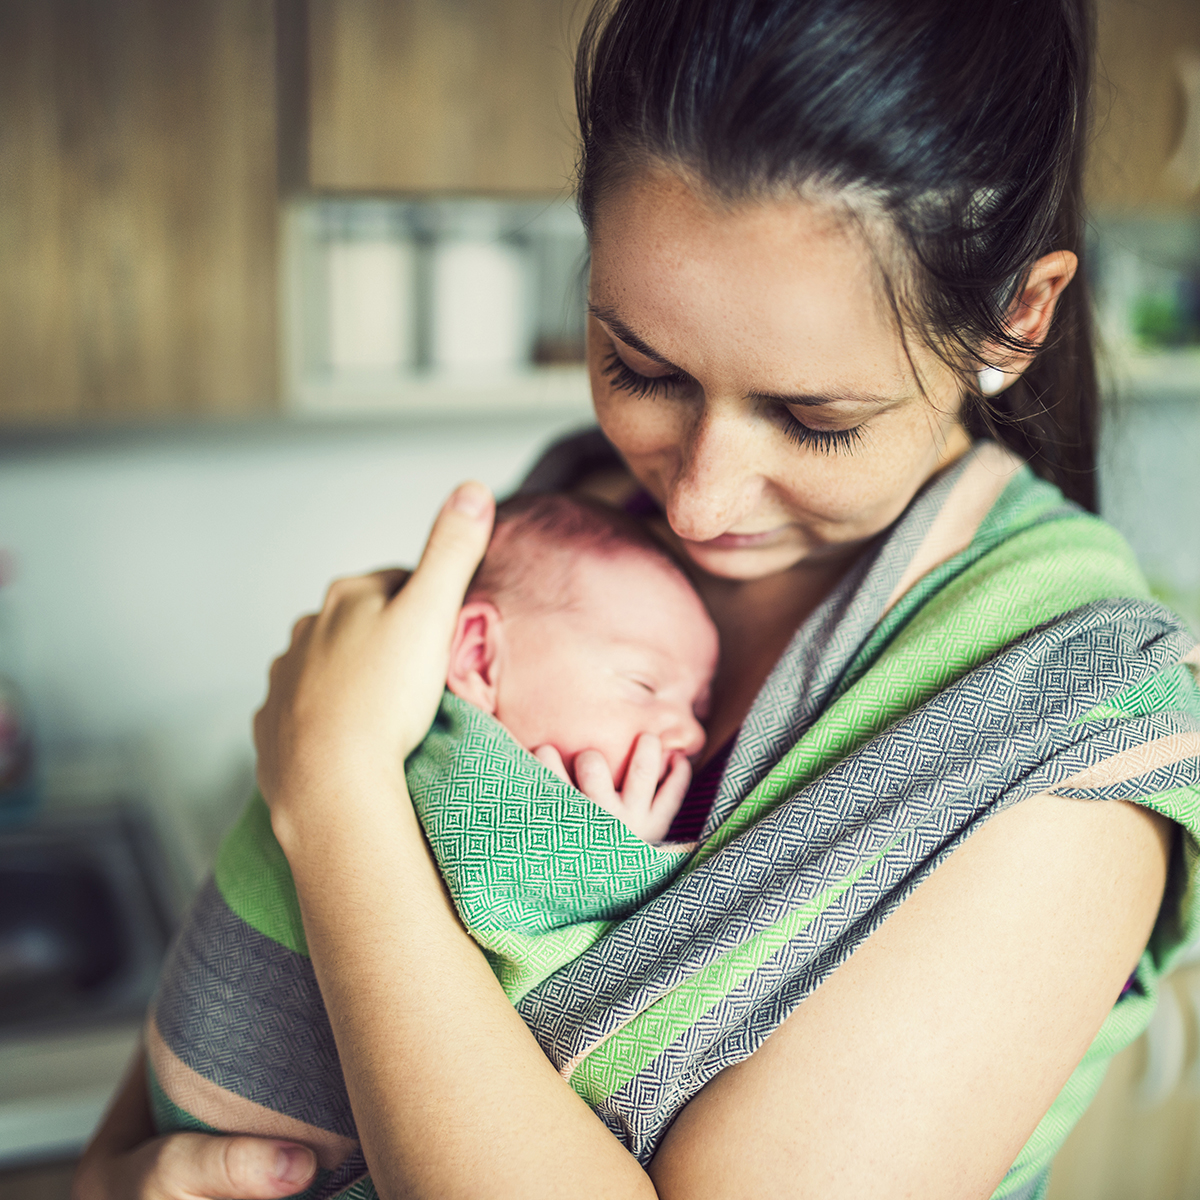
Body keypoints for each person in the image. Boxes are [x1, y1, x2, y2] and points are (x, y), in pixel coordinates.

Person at [74, 0, 1200, 1197]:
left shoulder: (1080, 735)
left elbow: (345, 841)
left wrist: (338, 794)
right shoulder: (581, 499)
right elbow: (185, 1080)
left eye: (817, 421)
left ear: (1018, 317)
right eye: (641, 368)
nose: (701, 504)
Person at [143, 494, 718, 1199]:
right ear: (478, 656)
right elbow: (526, 932)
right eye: (643, 684)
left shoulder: (378, 713)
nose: (687, 732)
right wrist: (608, 851)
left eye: (698, 706)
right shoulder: (473, 760)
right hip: (274, 1130)